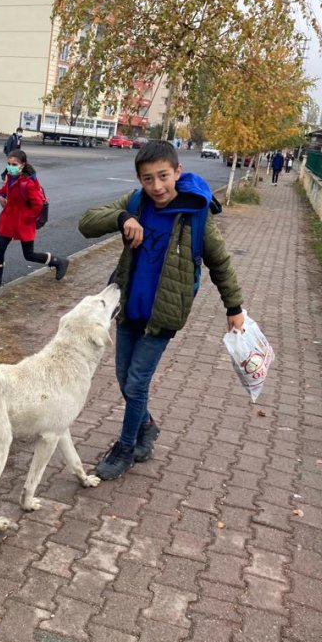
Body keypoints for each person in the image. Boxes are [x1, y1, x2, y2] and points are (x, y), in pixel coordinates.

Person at [78, 140, 244, 480]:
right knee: (125, 379)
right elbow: (87, 223)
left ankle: (126, 447)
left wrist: (235, 307)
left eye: (163, 176)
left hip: (165, 313)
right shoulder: (138, 203)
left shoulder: (196, 213)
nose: (156, 186)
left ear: (177, 172)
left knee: (137, 383)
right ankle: (148, 425)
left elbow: (221, 263)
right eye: (147, 178)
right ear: (139, 179)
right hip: (128, 308)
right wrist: (123, 217)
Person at [0, 149, 69, 288]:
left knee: (29, 255)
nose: (10, 167)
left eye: (14, 164)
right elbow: (2, 191)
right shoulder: (11, 178)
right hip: (9, 220)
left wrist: (26, 218)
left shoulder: (28, 183)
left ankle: (58, 261)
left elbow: (38, 204)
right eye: (9, 164)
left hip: (24, 222)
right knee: (0, 247)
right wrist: (0, 197)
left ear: (22, 164)